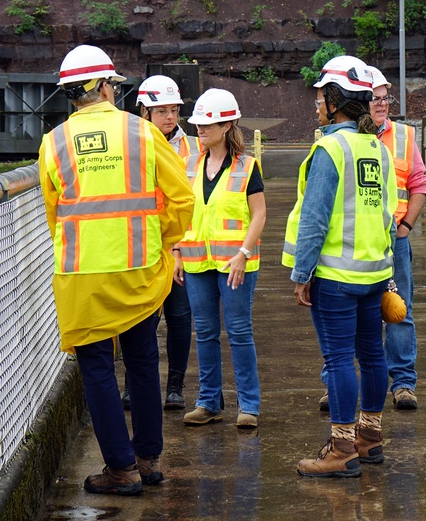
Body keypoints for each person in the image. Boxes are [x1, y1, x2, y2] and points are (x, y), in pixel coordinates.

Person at [38, 44, 194, 495]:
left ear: (71, 94)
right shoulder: (143, 134)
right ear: (106, 87)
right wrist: (161, 240)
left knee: (98, 369)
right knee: (143, 361)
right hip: (139, 269)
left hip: (81, 274)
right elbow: (182, 197)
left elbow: (55, 215)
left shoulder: (54, 142)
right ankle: (147, 460)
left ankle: (120, 470)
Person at [284, 55, 398, 478]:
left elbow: (314, 219)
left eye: (320, 96)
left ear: (335, 100)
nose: (316, 104)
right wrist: (387, 272)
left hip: (335, 277)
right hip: (372, 272)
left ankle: (342, 448)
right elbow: (386, 213)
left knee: (337, 362)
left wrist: (301, 274)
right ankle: (370, 439)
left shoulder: (330, 148)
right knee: (371, 356)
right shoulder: (376, 148)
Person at [317, 65, 426, 412]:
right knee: (353, 320)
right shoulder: (335, 138)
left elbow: (418, 184)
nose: (380, 105)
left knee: (397, 310)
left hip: (392, 240)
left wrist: (405, 227)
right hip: (353, 241)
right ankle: (335, 382)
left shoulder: (404, 137)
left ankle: (404, 382)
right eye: (374, 99)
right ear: (363, 101)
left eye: (384, 99)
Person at [178, 88, 266, 429]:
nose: (200, 131)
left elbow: (259, 215)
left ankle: (249, 405)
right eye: (198, 125)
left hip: (235, 263)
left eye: (207, 126)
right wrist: (175, 253)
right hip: (197, 262)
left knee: (240, 331)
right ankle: (208, 402)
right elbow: (179, 213)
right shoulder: (188, 166)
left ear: (227, 126)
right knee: (204, 332)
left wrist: (243, 253)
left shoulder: (247, 167)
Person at [114, 74, 201, 411]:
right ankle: (133, 387)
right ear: (144, 111)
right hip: (145, 245)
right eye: (161, 110)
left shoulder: (193, 146)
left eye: (173, 110)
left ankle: (175, 388)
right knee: (140, 319)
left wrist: (179, 245)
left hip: (182, 243)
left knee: (180, 317)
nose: (169, 117)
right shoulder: (130, 144)